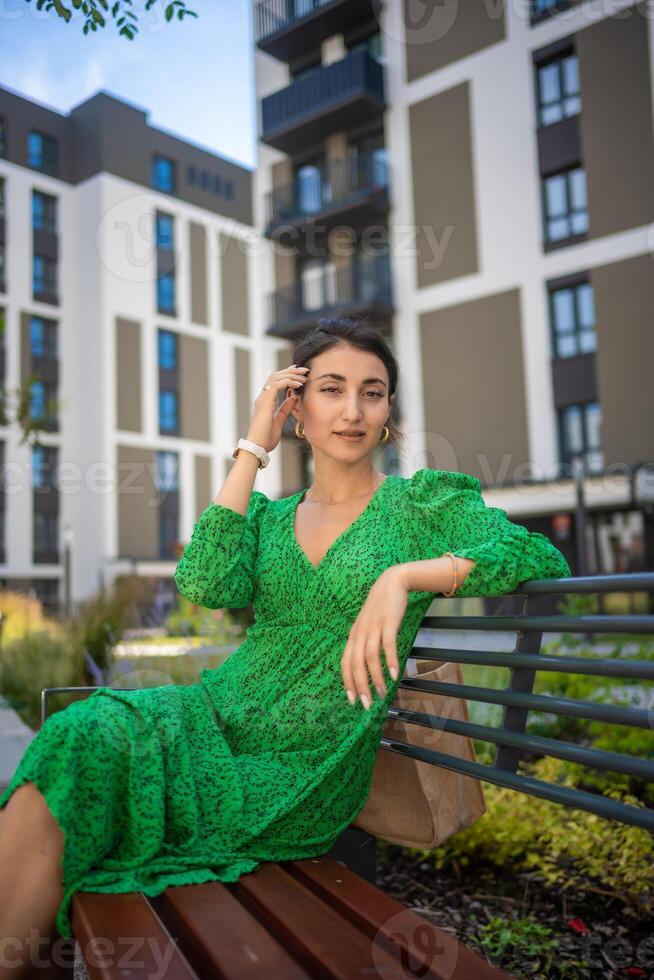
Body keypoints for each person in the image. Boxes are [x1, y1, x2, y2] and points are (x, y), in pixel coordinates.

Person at [0, 316, 571, 977]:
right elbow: (206, 580)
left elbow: (531, 550)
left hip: (300, 770)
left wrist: (403, 576)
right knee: (78, 736)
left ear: (388, 410)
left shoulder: (419, 507)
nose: (353, 410)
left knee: (82, 765)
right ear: (297, 406)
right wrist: (252, 444)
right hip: (215, 716)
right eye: (331, 389)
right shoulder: (271, 517)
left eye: (372, 391)